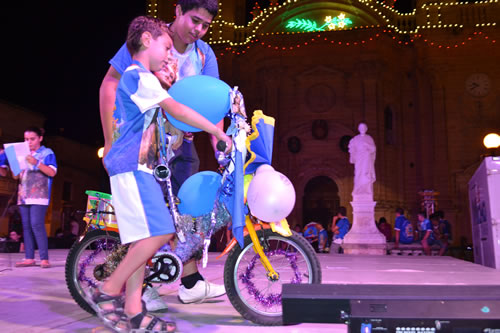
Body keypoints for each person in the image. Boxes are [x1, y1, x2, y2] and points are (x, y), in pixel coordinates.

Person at [86, 16, 231, 332]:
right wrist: (217, 132)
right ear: (146, 40)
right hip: (132, 167)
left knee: (142, 238)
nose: (169, 54)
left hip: (143, 168)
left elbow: (166, 122)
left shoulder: (145, 79)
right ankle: (108, 289)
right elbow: (176, 109)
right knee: (160, 231)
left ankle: (134, 310)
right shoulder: (137, 76)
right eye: (166, 46)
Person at [11, 127, 57, 269]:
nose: (29, 142)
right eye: (26, 139)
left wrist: (36, 162)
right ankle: (29, 257)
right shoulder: (22, 153)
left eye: (32, 139)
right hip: (24, 194)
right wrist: (14, 163)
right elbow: (15, 176)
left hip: (39, 194)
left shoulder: (47, 153)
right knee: (26, 226)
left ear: (40, 138)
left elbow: (52, 172)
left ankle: (44, 258)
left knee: (36, 224)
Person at [348, 122, 376, 198]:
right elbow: (351, 148)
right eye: (361, 128)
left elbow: (373, 149)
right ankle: (358, 190)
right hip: (359, 159)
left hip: (366, 158)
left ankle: (367, 190)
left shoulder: (369, 138)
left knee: (366, 173)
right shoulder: (355, 139)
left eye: (364, 128)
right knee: (358, 174)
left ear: (366, 129)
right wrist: (352, 154)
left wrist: (368, 145)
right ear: (359, 129)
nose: (362, 129)